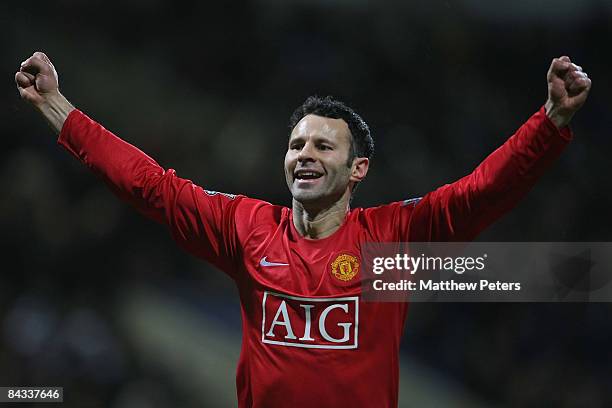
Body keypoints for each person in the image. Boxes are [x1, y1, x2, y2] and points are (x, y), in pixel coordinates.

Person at [15, 51, 591, 407]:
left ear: (357, 169)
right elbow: (149, 184)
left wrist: (551, 120)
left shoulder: (390, 243)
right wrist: (58, 107)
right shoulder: (246, 228)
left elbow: (481, 192)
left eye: (322, 144)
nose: (304, 154)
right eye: (295, 144)